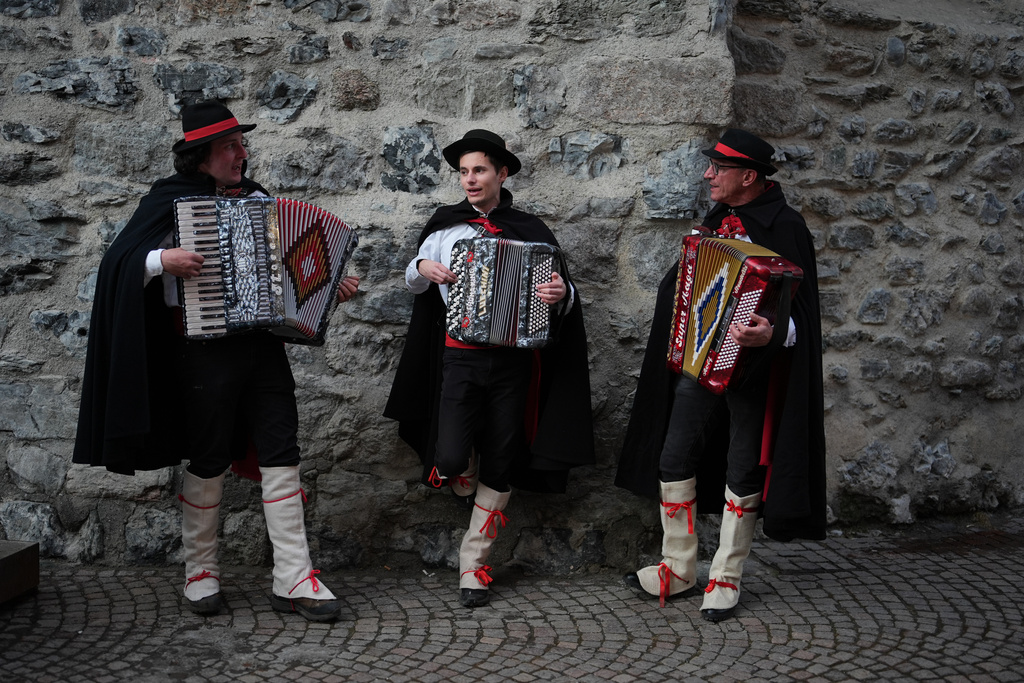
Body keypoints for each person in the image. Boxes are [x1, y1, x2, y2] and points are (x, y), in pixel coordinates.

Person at [73, 101, 360, 622]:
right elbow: (118, 263)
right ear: (202, 156)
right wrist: (163, 260)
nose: (241, 155)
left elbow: (284, 274)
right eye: (230, 146)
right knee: (208, 456)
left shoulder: (257, 200)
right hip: (201, 352)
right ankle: (200, 571)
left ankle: (293, 576)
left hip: (263, 349)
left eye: (241, 145)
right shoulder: (169, 201)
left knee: (282, 450)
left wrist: (326, 285)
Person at [616, 128, 826, 621]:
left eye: (718, 169)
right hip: (704, 362)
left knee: (743, 466)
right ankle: (680, 566)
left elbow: (805, 315)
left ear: (748, 177)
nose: (708, 175)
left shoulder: (787, 227)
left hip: (756, 373)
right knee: (673, 455)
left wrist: (771, 332)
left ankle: (727, 574)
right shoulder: (718, 219)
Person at [384, 129, 594, 608]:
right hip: (459, 357)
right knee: (453, 457)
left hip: (514, 361)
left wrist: (563, 295)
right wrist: (423, 267)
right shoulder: (444, 227)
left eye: (479, 170)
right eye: (463, 172)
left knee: (503, 459)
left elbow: (565, 292)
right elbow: (412, 281)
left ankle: (474, 563)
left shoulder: (532, 230)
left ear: (502, 173)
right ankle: (463, 465)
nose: (470, 180)